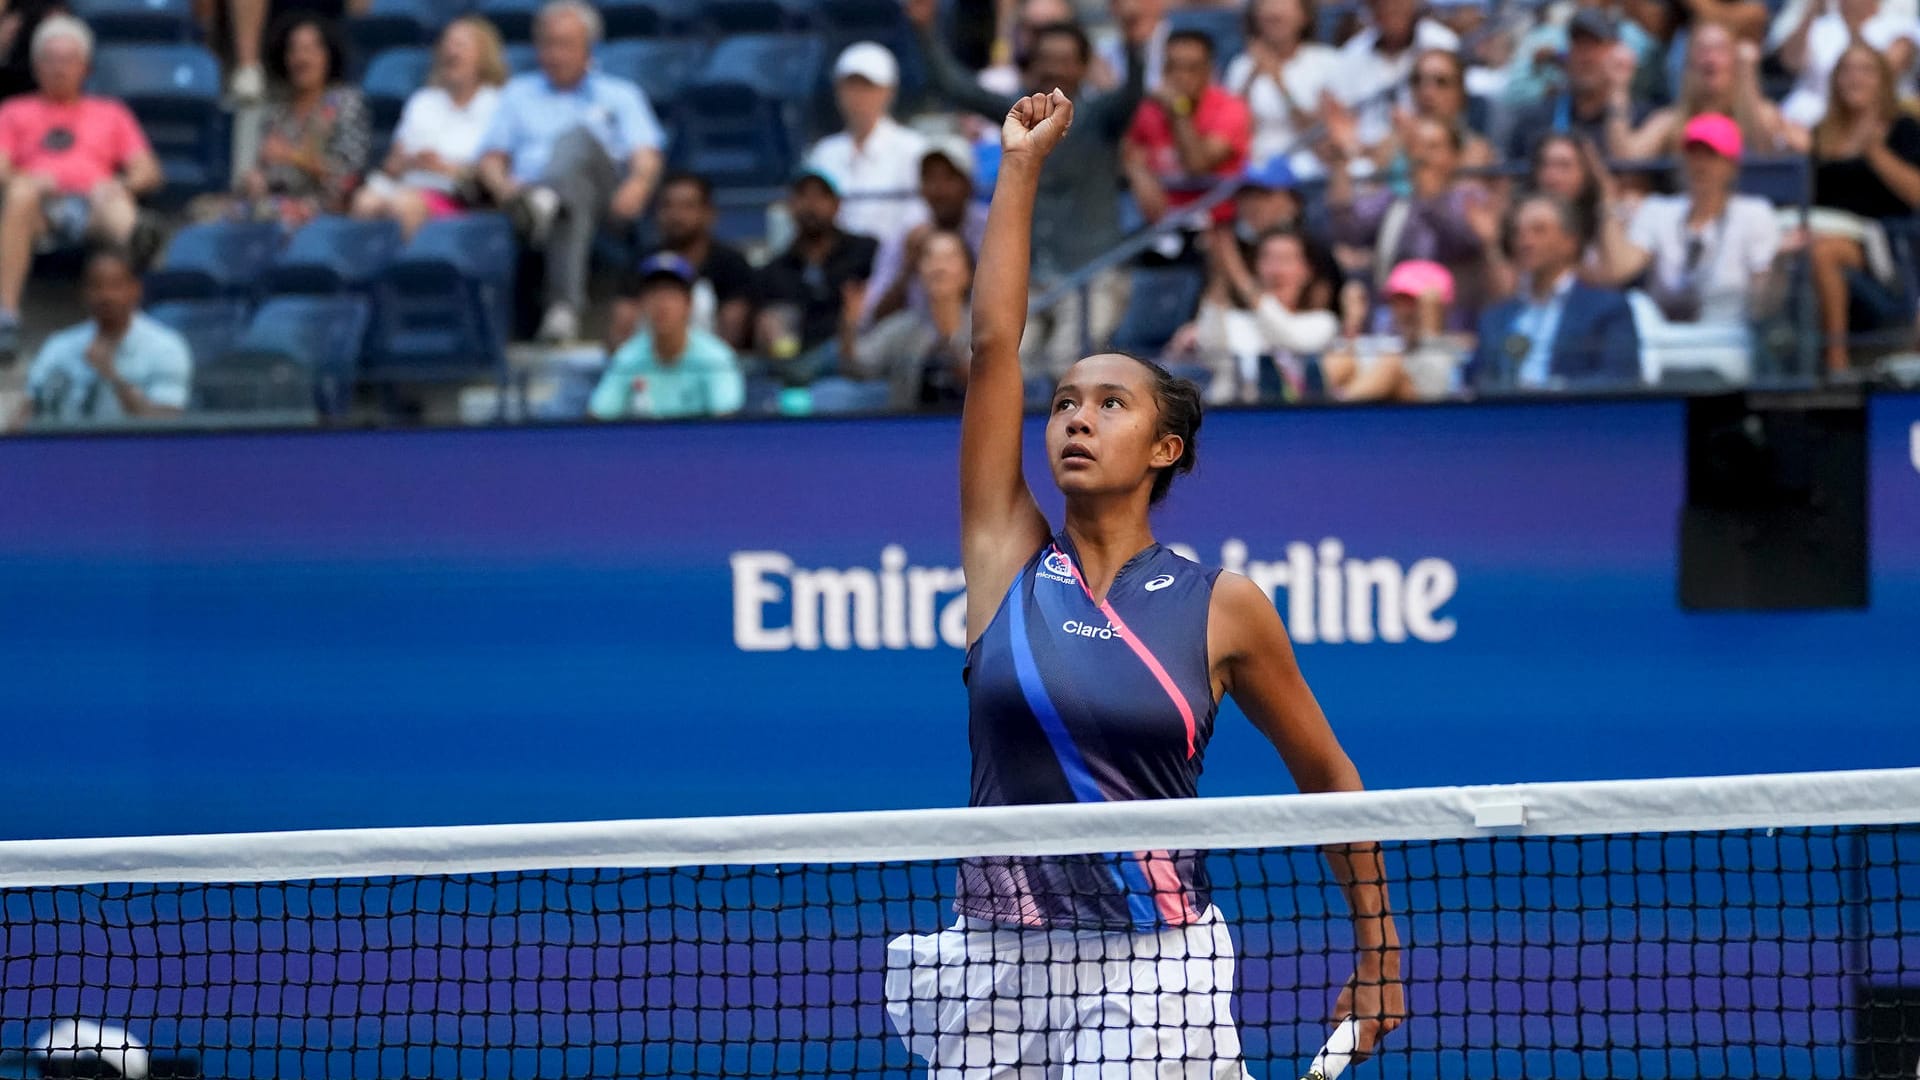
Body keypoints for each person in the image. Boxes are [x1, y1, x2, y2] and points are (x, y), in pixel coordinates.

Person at [883, 88, 1405, 1077]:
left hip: (1154, 967)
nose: (1077, 417)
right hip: (995, 964)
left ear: (1165, 446)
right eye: (1067, 402)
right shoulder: (1005, 559)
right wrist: (1021, 166)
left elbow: (1331, 783)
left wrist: (1378, 954)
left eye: (1110, 403)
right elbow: (993, 348)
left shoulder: (1223, 606)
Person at [907, 0, 1150, 373]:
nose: (1054, 68)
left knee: (1067, 366)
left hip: (1090, 275)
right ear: (1032, 65)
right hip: (1030, 278)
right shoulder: (1016, 112)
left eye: (1065, 59)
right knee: (989, 365)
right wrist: (924, 28)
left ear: (1084, 68)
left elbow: (1133, 95)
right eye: (1046, 59)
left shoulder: (1101, 118)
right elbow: (955, 86)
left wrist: (1134, 46)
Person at [476, 0, 665, 344]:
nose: (554, 54)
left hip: (608, 198)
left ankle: (544, 202)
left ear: (588, 49)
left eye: (564, 45)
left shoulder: (620, 94)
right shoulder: (517, 94)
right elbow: (491, 161)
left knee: (576, 139)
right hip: (531, 199)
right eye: (547, 44)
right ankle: (563, 307)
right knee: (568, 194)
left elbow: (647, 154)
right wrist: (506, 189)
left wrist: (639, 184)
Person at [0, 15, 161, 359]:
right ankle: (6, 319)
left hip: (93, 207)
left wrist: (120, 184)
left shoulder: (111, 112)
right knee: (19, 195)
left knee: (116, 202)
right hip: (40, 210)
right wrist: (23, 179)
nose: (59, 68)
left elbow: (148, 170)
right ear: (36, 66)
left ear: (85, 68)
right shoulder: (13, 111)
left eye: (68, 60)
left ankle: (141, 263)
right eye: (50, 60)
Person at [1601, 113, 1780, 379]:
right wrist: (1607, 207)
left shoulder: (1755, 213)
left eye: (1711, 156)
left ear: (1732, 165)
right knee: (1635, 309)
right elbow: (1620, 270)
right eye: (1693, 155)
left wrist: (1781, 265)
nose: (1701, 165)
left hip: (1727, 335)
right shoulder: (1657, 210)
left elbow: (1763, 302)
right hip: (1663, 337)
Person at [1803, 43, 1920, 373]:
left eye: (1865, 70)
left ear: (1882, 79)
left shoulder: (1903, 128)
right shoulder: (1820, 134)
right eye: (1847, 70)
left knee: (1823, 253)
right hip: (1823, 228)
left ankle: (1836, 362)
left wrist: (1874, 151)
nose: (1855, 78)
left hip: (1888, 244)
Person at [194, 13, 369, 230]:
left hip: (323, 206)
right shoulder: (278, 113)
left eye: (310, 49)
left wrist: (292, 156)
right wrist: (255, 181)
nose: (301, 58)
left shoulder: (344, 103)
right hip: (272, 200)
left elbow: (348, 175)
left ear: (328, 56)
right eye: (293, 50)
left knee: (260, 215)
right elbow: (265, 170)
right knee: (203, 211)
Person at [1327, 115, 1492, 329]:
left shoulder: (1469, 200)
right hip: (1393, 326)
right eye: (1415, 147)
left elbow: (1467, 241)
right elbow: (1348, 226)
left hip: (1451, 328)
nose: (1422, 156)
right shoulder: (1395, 200)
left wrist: (1430, 197)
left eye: (1433, 147)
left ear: (1455, 156)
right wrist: (1341, 159)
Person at [349, 16, 506, 239]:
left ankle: (408, 270)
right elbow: (392, 163)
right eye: (447, 44)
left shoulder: (496, 104)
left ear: (482, 57)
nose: (451, 51)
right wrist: (406, 163)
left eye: (460, 45)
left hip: (462, 197)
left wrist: (442, 168)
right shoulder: (422, 101)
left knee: (403, 205)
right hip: (408, 184)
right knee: (364, 202)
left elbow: (494, 172)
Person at [1467, 193, 1641, 391]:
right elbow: (1475, 383)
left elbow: (1620, 379)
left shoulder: (1607, 310)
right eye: (1518, 233)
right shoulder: (1495, 318)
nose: (1526, 242)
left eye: (1539, 231)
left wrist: (1551, 391)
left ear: (1570, 242)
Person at [9, 246, 190, 429]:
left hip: (137, 452)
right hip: (66, 450)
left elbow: (167, 423)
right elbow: (28, 411)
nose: (105, 296)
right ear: (84, 293)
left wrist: (112, 376)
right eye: (96, 286)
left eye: (115, 286)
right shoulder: (59, 346)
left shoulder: (166, 347)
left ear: (135, 290)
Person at [606, 172, 757, 353]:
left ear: (709, 213)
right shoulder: (640, 262)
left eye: (688, 206)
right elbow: (620, 333)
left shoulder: (731, 264)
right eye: (667, 206)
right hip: (650, 367)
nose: (676, 215)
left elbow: (731, 336)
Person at [1123, 29, 1253, 236]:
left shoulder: (1231, 109)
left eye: (1192, 68)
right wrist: (1139, 175)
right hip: (1162, 223)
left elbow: (1197, 164)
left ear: (1209, 71)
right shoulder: (1150, 109)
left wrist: (1178, 110)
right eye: (1173, 67)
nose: (1181, 76)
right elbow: (1128, 152)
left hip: (1217, 226)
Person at [1190, 225, 1339, 403]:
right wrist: (1220, 269)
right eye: (1267, 259)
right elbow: (1209, 349)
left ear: (1307, 271)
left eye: (1285, 259)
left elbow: (1290, 338)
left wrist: (1238, 274)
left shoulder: (1322, 321)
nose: (1276, 271)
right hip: (1231, 420)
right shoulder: (1235, 320)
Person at [755, 168, 878, 382]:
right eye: (803, 196)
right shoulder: (774, 269)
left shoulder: (866, 251)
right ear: (790, 206)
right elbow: (769, 331)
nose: (811, 206)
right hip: (794, 360)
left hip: (854, 352)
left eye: (820, 196)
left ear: (837, 204)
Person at [1613, 21, 1800, 160]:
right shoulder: (1670, 121)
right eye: (1702, 50)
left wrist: (1748, 75)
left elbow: (1769, 148)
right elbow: (1626, 157)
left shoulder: (1764, 114)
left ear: (1734, 61)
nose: (1710, 59)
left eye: (1719, 49)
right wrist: (1618, 89)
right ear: (1688, 64)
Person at [588, 254, 743, 420]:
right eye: (654, 294)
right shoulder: (628, 357)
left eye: (671, 294)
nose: (662, 304)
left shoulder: (716, 358)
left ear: (689, 303)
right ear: (641, 303)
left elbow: (727, 424)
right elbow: (597, 417)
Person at [860, 137, 989, 330]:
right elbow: (873, 316)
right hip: (919, 339)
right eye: (930, 178)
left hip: (982, 331)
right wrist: (910, 262)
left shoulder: (991, 228)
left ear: (968, 184)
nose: (939, 189)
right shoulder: (907, 234)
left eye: (948, 178)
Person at [805, 42, 927, 242]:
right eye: (850, 86)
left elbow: (918, 220)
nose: (858, 96)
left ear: (889, 91)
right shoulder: (823, 153)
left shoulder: (913, 149)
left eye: (868, 86)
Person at [848, 228, 973, 410]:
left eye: (950, 258)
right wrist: (849, 324)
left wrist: (949, 345)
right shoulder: (902, 327)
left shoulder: (987, 327)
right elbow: (857, 368)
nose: (939, 267)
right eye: (930, 258)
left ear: (969, 273)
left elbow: (995, 387)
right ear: (918, 271)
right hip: (911, 430)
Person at [1503, 9, 1649, 162]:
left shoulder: (1641, 118)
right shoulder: (1535, 121)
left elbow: (1631, 167)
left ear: (1618, 52)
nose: (1585, 57)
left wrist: (1619, 88)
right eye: (1578, 45)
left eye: (1595, 46)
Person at [1323, 257, 1465, 401]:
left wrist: (1431, 332)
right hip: (1383, 413)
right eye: (1397, 300)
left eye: (1411, 301)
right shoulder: (1392, 342)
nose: (1403, 310)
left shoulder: (1453, 350)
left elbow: (1435, 393)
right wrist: (1352, 326)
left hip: (1427, 417)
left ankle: (1331, 412)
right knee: (1343, 362)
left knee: (1391, 366)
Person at [1223, 0, 1338, 175]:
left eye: (1284, 9)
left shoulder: (1326, 61)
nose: (1274, 13)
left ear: (1304, 16)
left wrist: (1280, 85)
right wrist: (1251, 79)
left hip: (1310, 168)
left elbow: (1321, 135)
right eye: (1267, 7)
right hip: (1255, 169)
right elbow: (1232, 132)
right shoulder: (1241, 66)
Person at [1775, 0, 1920, 131]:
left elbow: (1884, 74)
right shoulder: (1822, 25)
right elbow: (1790, 63)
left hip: (1872, 115)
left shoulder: (1900, 24)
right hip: (1808, 112)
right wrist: (1812, 9)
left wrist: (1852, 29)